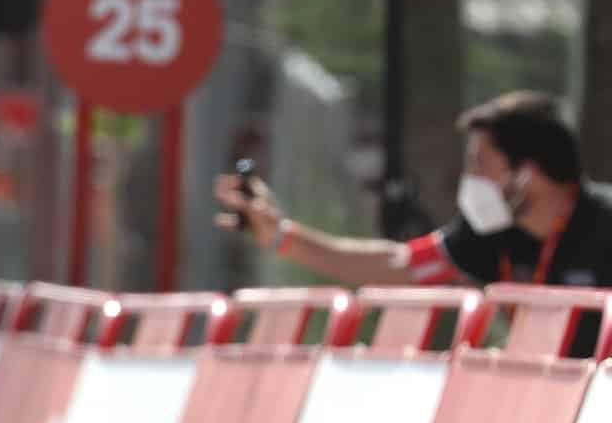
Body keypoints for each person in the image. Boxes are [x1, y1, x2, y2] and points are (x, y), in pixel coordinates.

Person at [216, 92, 612, 292]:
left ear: (526, 174)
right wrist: (282, 236)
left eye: (480, 164)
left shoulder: (604, 226)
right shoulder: (490, 234)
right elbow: (399, 264)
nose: (469, 178)